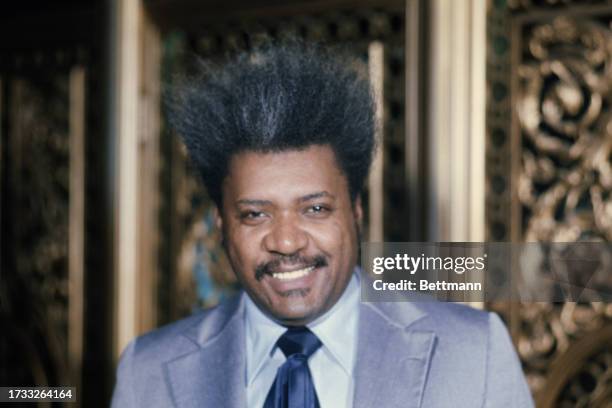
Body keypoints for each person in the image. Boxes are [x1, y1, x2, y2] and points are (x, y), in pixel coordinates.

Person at [111, 40, 534, 407]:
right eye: (255, 214)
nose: (287, 241)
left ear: (356, 209)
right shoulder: (147, 372)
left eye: (315, 209)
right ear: (221, 224)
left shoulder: (473, 353)